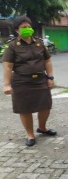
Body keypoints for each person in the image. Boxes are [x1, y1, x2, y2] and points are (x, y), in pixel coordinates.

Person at [2, 16, 56, 147]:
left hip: (40, 80)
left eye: (29, 27)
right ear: (17, 30)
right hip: (21, 81)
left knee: (45, 106)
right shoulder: (12, 46)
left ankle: (42, 128)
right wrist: (7, 84)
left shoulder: (39, 43)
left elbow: (47, 61)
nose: (27, 29)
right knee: (25, 109)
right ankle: (30, 134)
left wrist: (50, 77)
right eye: (24, 28)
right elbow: (8, 66)